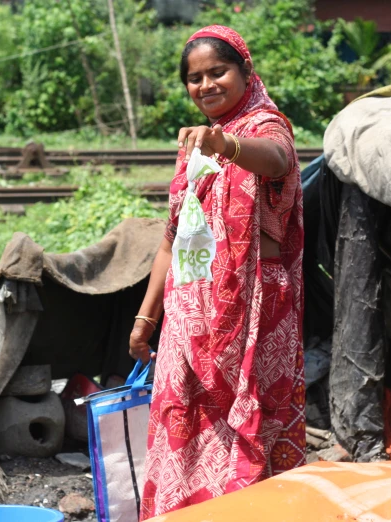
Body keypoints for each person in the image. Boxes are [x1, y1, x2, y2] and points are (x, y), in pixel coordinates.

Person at [129, 25, 305, 519]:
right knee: (181, 421)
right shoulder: (193, 148)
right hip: (190, 312)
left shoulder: (265, 127)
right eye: (194, 77)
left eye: (218, 72)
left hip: (255, 309)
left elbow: (277, 160)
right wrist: (146, 319)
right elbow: (172, 238)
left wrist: (226, 145)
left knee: (252, 424)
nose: (205, 85)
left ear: (246, 72)